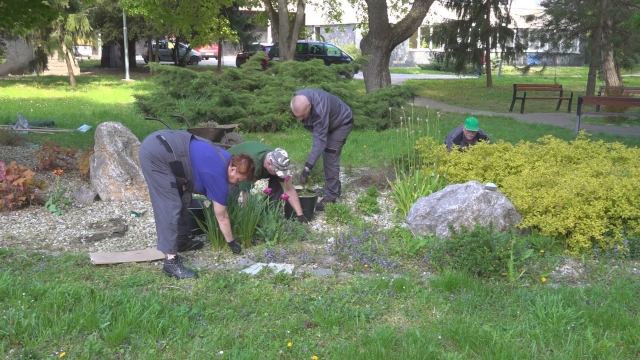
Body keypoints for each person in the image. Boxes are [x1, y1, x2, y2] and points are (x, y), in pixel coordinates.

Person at [139, 130, 255, 279]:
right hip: (157, 154)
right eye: (238, 179)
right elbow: (222, 216)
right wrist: (232, 243)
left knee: (182, 198)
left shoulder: (227, 158)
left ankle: (180, 241)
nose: (237, 183)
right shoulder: (218, 175)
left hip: (167, 146)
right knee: (170, 204)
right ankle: (170, 262)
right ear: (233, 169)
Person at [290, 88, 353, 211]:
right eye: (297, 116)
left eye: (302, 116)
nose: (300, 120)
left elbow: (319, 142)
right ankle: (332, 187)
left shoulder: (320, 110)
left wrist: (307, 167)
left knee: (329, 156)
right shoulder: (298, 98)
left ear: (309, 105)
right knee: (325, 154)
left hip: (341, 123)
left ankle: (331, 197)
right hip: (329, 123)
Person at [227, 141, 309, 223]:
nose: (278, 173)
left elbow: (289, 189)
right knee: (230, 196)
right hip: (231, 167)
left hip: (256, 165)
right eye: (276, 171)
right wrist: (250, 221)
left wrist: (300, 215)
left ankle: (271, 217)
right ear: (268, 163)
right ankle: (230, 220)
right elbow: (246, 194)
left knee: (280, 183)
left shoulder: (278, 160)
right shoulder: (251, 166)